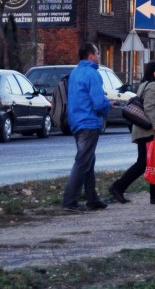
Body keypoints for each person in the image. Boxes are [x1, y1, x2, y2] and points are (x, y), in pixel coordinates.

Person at [108, 60, 155, 205]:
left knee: (153, 161)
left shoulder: (144, 84)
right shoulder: (154, 86)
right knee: (146, 163)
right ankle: (118, 187)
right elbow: (149, 108)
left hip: (142, 130)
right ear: (154, 72)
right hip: (149, 130)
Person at [61, 43, 111, 212]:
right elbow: (98, 102)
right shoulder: (92, 73)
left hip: (76, 121)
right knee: (83, 161)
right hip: (89, 121)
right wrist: (107, 106)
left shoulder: (75, 73)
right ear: (91, 55)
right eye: (97, 52)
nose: (99, 56)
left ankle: (92, 199)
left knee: (88, 160)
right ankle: (69, 201)